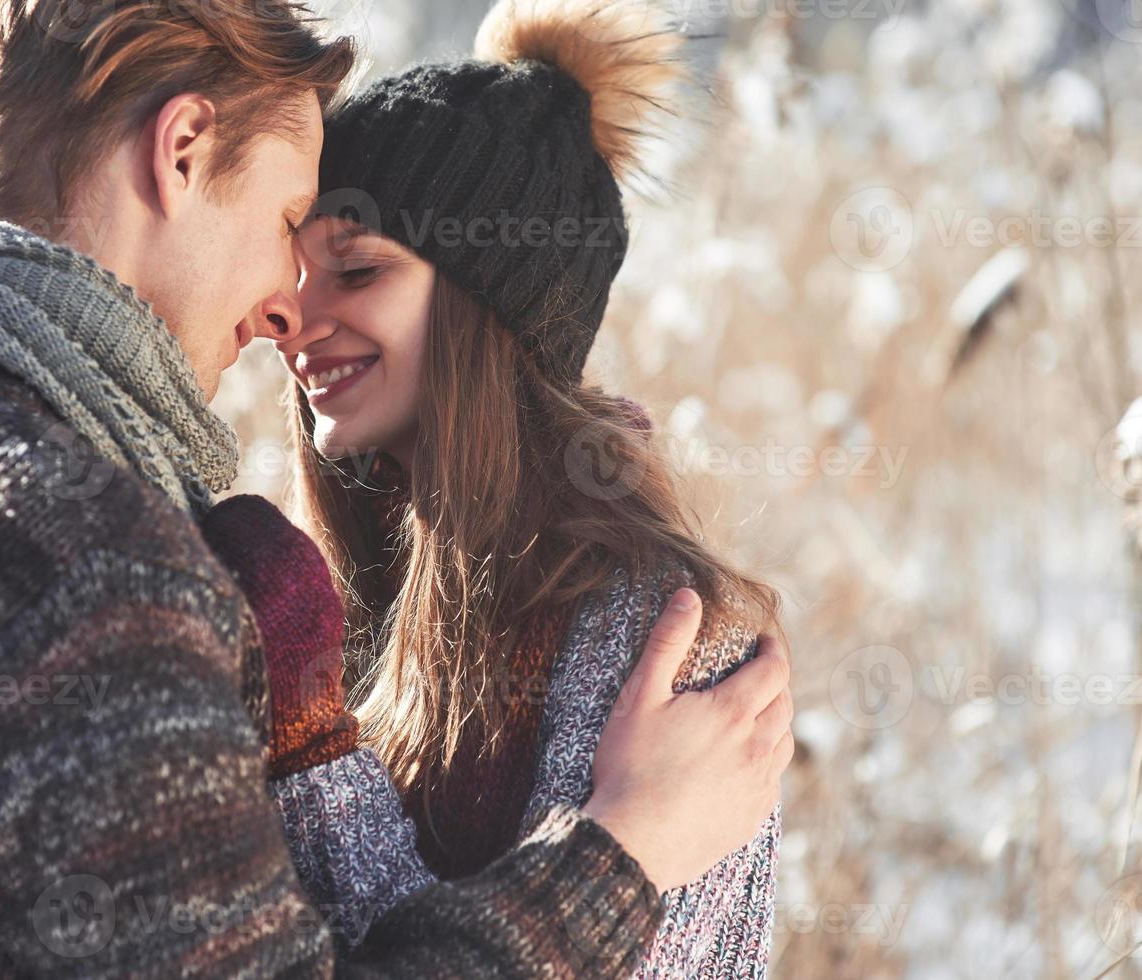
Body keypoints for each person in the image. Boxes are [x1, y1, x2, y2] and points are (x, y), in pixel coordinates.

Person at [0, 1, 791, 977]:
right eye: (282, 229)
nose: (281, 311)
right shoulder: (81, 570)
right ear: (180, 152)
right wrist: (623, 852)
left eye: (349, 265)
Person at [261, 0, 793, 975]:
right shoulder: (361, 581)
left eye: (358, 268)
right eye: (296, 278)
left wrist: (310, 753)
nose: (294, 320)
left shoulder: (665, 637)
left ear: (487, 308)